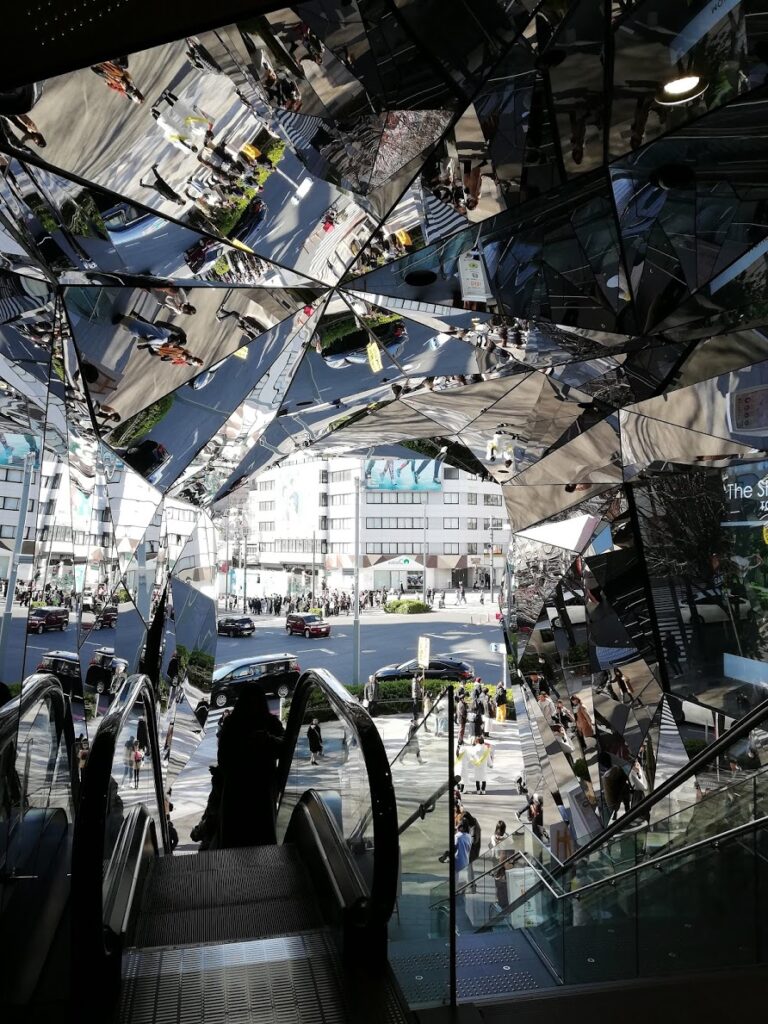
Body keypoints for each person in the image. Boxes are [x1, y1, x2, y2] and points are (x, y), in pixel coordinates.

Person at [216, 684, 285, 847]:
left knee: (235, 841)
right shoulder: (270, 723)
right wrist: (267, 741)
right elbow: (285, 747)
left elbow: (223, 760)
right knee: (262, 839)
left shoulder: (232, 725)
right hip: (262, 790)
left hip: (236, 791)